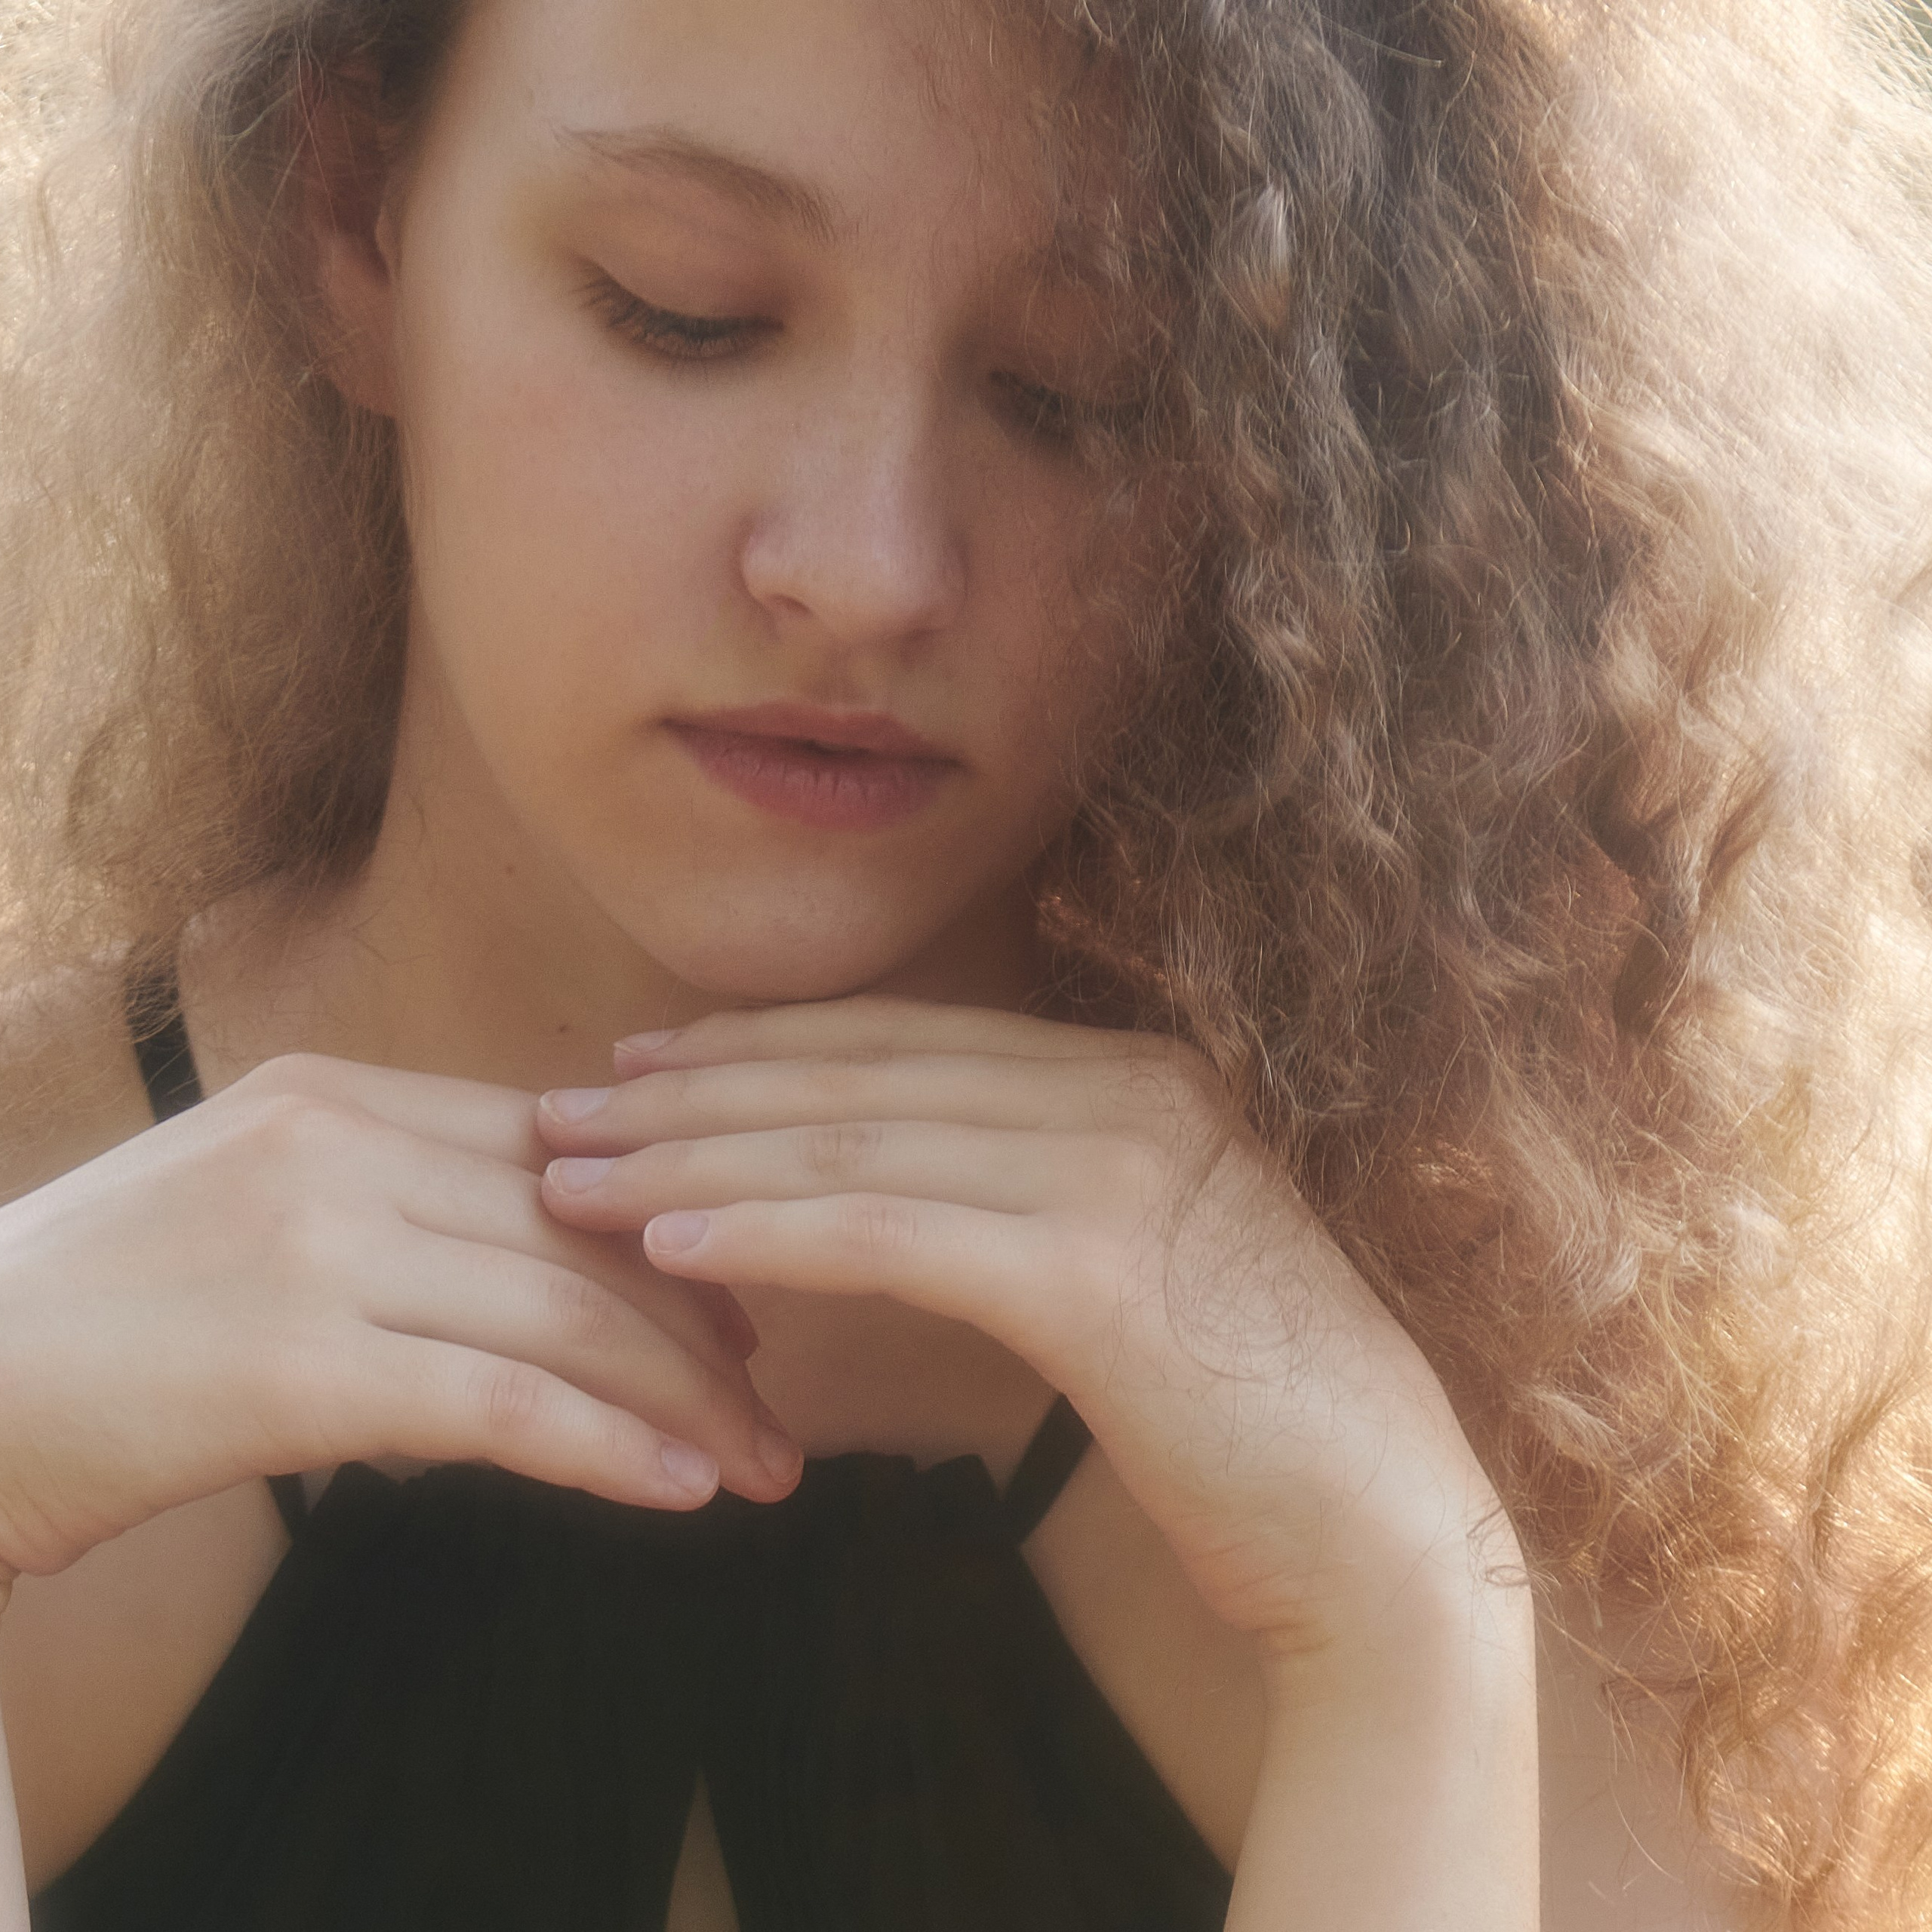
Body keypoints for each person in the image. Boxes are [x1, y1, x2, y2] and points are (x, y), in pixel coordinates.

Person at [0, 0, 1928, 1925]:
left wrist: (1411, 1620)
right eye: (687, 310)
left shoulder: (1600, 1532)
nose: (867, 568)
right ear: (352, 211)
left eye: (1079, 389)